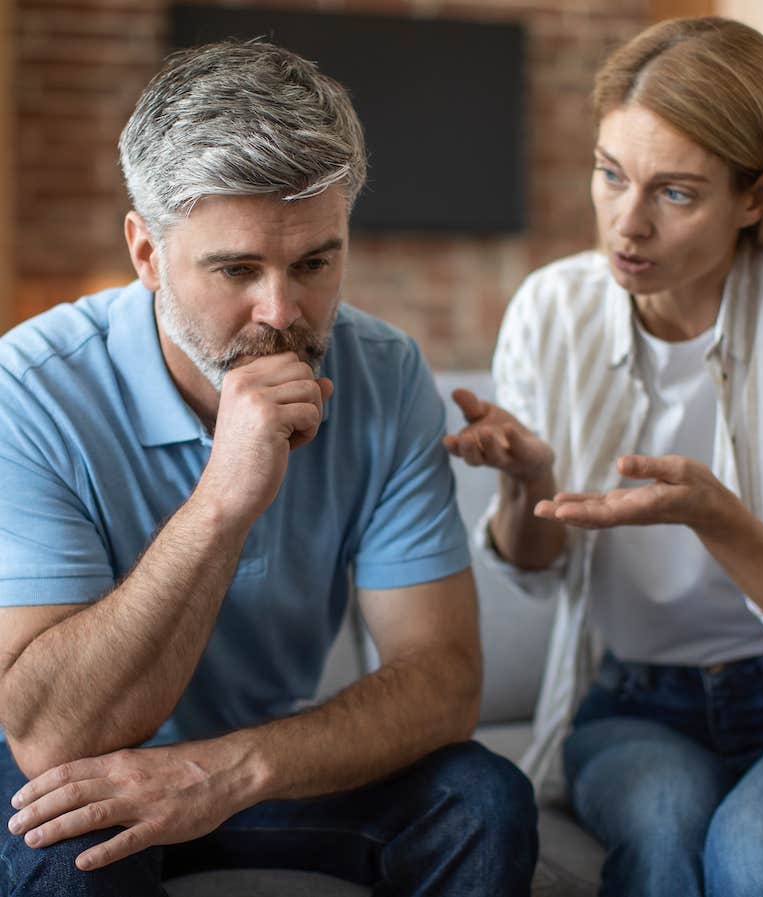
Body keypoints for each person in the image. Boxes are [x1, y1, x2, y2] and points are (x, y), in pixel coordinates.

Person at [0, 40, 538, 897]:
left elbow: (442, 681)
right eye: (236, 269)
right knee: (64, 848)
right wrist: (222, 500)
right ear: (146, 253)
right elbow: (53, 736)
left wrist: (228, 770)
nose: (282, 314)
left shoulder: (386, 373)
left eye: (315, 263)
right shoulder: (29, 389)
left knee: (483, 801)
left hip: (260, 763)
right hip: (74, 766)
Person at [446, 15, 763, 897]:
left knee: (758, 848)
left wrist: (718, 517)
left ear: (756, 197)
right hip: (631, 701)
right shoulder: (553, 311)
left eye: (674, 193)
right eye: (611, 175)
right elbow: (535, 572)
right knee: (662, 833)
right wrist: (531, 485)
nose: (626, 225)